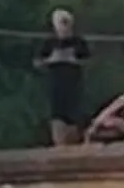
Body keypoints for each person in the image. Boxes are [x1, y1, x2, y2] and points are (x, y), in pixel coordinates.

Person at [37, 9, 91, 145]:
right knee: (58, 122)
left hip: (74, 89)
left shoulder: (78, 42)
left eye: (66, 23)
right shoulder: (49, 43)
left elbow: (88, 61)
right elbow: (37, 62)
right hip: (56, 90)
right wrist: (51, 60)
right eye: (60, 23)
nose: (63, 27)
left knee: (74, 124)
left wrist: (73, 60)